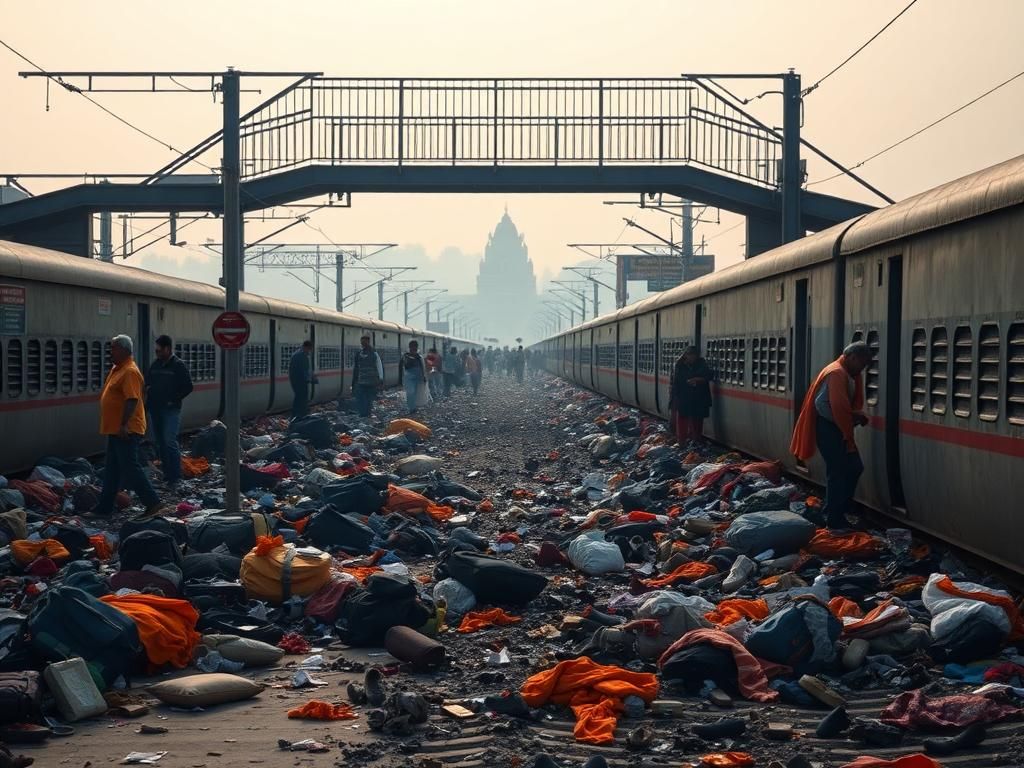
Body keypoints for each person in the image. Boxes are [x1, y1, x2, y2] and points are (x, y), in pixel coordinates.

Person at [791, 341, 873, 530]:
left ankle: (836, 510)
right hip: (829, 429)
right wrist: (847, 418)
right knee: (838, 471)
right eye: (863, 363)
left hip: (838, 429)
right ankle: (834, 518)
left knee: (853, 467)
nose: (864, 368)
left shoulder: (844, 373)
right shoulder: (836, 373)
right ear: (853, 357)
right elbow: (822, 405)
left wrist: (849, 418)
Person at [94, 335, 165, 518]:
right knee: (112, 470)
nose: (111, 351)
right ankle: (104, 508)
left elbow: (132, 399)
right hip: (115, 428)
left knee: (130, 467)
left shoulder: (130, 372)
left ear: (124, 350)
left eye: (114, 348)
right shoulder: (117, 369)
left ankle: (153, 502)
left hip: (126, 429)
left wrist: (123, 424)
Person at [145, 335, 193, 487]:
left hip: (171, 410)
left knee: (169, 441)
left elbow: (188, 386)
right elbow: (147, 383)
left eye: (159, 350)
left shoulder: (178, 365)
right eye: (156, 351)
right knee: (160, 443)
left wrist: (174, 399)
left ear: (167, 349)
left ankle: (175, 476)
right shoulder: (155, 365)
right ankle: (167, 475)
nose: (157, 353)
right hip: (155, 409)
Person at [669, 345, 712, 443]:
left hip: (699, 397)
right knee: (683, 418)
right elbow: (675, 382)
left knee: (697, 419)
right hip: (684, 396)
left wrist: (698, 380)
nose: (692, 357)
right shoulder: (679, 365)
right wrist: (674, 398)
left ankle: (696, 439)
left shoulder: (702, 364)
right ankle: (682, 440)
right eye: (690, 355)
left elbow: (708, 376)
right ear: (685, 355)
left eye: (694, 355)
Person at [351, 333, 384, 417]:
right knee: (366, 398)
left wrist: (380, 378)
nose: (363, 343)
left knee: (365, 398)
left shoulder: (372, 353)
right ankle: (365, 413)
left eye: (364, 341)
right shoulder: (361, 353)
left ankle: (365, 413)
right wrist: (380, 378)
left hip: (368, 380)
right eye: (362, 342)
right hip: (364, 380)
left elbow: (379, 365)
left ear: (368, 342)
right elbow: (356, 368)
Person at [289, 341, 314, 419]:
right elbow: (304, 370)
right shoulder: (301, 355)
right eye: (309, 349)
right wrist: (311, 378)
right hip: (300, 380)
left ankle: (297, 415)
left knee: (299, 397)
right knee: (301, 397)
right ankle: (300, 415)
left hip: (296, 380)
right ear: (306, 347)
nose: (310, 351)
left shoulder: (297, 354)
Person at [402, 340, 427, 414]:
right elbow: (402, 367)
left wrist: (424, 376)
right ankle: (411, 408)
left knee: (415, 392)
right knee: (410, 392)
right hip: (409, 377)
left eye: (415, 348)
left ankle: (414, 406)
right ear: (410, 348)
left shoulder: (419, 357)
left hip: (417, 377)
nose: (413, 349)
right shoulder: (405, 356)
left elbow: (423, 367)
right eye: (412, 348)